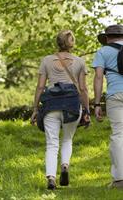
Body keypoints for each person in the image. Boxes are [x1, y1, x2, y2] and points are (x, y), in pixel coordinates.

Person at [31, 30, 90, 190]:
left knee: (52, 143)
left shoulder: (46, 60)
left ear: (58, 42)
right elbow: (83, 89)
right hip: (72, 104)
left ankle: (51, 177)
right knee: (67, 139)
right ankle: (64, 165)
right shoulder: (79, 61)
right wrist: (87, 110)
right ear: (71, 43)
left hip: (51, 105)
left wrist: (35, 108)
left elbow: (40, 87)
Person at [93, 24, 123, 189]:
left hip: (115, 95)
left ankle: (119, 180)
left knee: (119, 134)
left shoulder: (103, 52)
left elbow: (98, 78)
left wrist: (97, 104)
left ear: (107, 37)